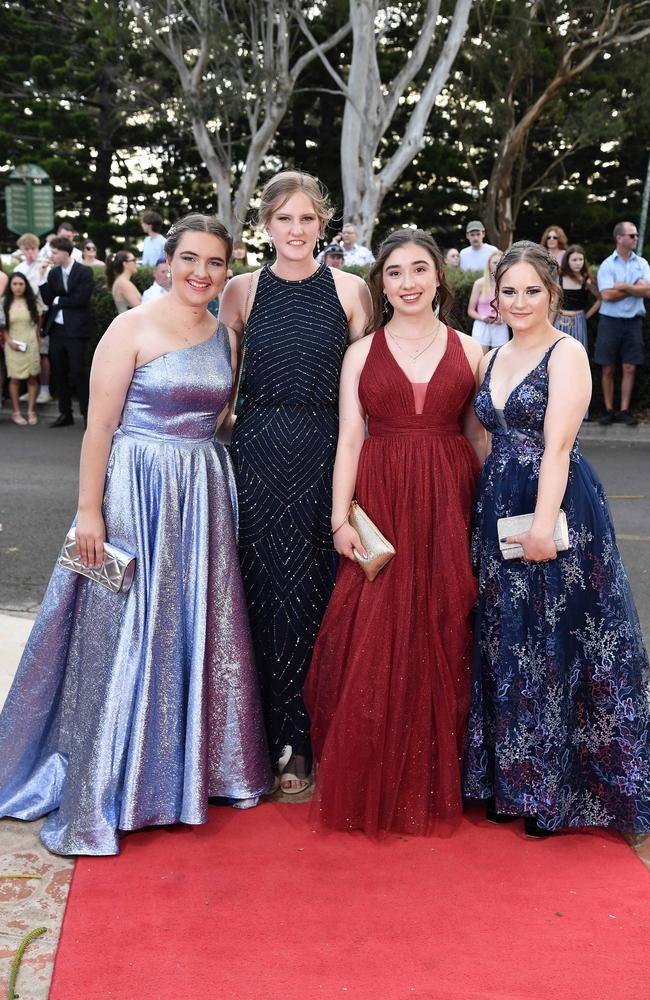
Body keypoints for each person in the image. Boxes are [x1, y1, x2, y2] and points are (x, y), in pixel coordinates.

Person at [0, 213, 273, 856]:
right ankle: (107, 778)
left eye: (214, 263)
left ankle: (184, 775)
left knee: (191, 626)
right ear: (166, 262)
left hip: (202, 492)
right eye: (190, 259)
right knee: (116, 633)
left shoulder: (224, 335)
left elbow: (222, 418)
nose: (201, 273)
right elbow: (99, 430)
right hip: (132, 492)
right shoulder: (130, 327)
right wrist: (89, 514)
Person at [463, 240, 650, 838]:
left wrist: (543, 524)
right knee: (505, 640)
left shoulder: (565, 352)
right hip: (499, 506)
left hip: (557, 505)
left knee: (554, 640)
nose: (519, 301)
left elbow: (559, 447)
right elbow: (484, 441)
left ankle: (555, 791)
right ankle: (511, 782)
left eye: (532, 291)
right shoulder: (494, 356)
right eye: (509, 290)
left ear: (554, 293)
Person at [304, 230, 486, 836]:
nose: (407, 283)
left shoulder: (472, 349)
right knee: (375, 623)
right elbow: (349, 440)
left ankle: (439, 776)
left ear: (440, 278)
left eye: (419, 270)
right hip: (380, 498)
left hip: (448, 499)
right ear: (382, 284)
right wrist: (339, 517)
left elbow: (479, 439)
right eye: (395, 273)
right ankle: (371, 772)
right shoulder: (360, 353)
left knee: (442, 620)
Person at [219, 170, 371, 794]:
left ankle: (308, 738)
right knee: (261, 588)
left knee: (315, 589)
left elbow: (367, 386)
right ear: (266, 225)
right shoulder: (239, 291)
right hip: (256, 452)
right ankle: (260, 736)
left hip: (325, 450)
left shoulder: (353, 290)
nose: (296, 230)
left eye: (307, 219)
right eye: (285, 218)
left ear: (323, 223)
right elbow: (222, 390)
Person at [596, 221, 650, 427]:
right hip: (610, 321)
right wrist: (635, 287)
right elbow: (607, 295)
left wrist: (624, 286)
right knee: (607, 367)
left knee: (630, 367)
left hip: (634, 322)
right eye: (632, 235)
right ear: (619, 238)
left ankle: (625, 410)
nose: (635, 238)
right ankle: (609, 410)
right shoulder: (608, 265)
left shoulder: (642, 264)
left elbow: (648, 292)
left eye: (636, 235)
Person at [39, 236, 95, 428]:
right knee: (59, 371)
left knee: (78, 371)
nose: (51, 256)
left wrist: (59, 300)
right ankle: (65, 413)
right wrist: (41, 277)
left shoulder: (84, 271)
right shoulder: (53, 274)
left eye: (54, 252)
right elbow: (48, 299)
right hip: (57, 329)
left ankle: (87, 414)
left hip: (77, 330)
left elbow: (82, 299)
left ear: (65, 252)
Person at [14, 233, 52, 402]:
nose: (30, 252)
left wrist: (42, 272)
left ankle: (45, 390)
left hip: (42, 315)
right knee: (27, 352)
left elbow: (43, 294)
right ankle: (31, 390)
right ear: (21, 250)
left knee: (42, 353)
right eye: (26, 249)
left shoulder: (45, 265)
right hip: (22, 317)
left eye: (33, 248)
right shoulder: (19, 269)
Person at [2, 273, 42, 425]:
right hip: (12, 345)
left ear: (25, 286)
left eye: (21, 284)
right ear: (10, 286)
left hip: (31, 344)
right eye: (15, 284)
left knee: (32, 378)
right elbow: (2, 326)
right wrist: (9, 341)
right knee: (14, 379)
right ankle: (16, 412)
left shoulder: (33, 303)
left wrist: (37, 344)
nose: (18, 287)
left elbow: (39, 326)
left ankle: (31, 411)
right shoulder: (4, 303)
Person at [553, 244, 600, 350]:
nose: (578, 263)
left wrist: (586, 315)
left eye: (580, 259)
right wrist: (549, 324)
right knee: (558, 351)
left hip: (578, 321)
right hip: (560, 320)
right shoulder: (560, 277)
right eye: (574, 260)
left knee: (578, 351)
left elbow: (600, 299)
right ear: (567, 260)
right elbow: (555, 302)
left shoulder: (586, 279)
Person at [467, 250, 510, 354]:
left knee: (499, 358)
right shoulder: (479, 284)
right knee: (480, 358)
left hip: (500, 325)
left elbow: (512, 308)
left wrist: (503, 318)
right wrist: (483, 318)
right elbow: (470, 310)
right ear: (489, 265)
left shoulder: (508, 284)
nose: (497, 265)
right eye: (495, 263)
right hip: (482, 326)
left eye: (500, 263)